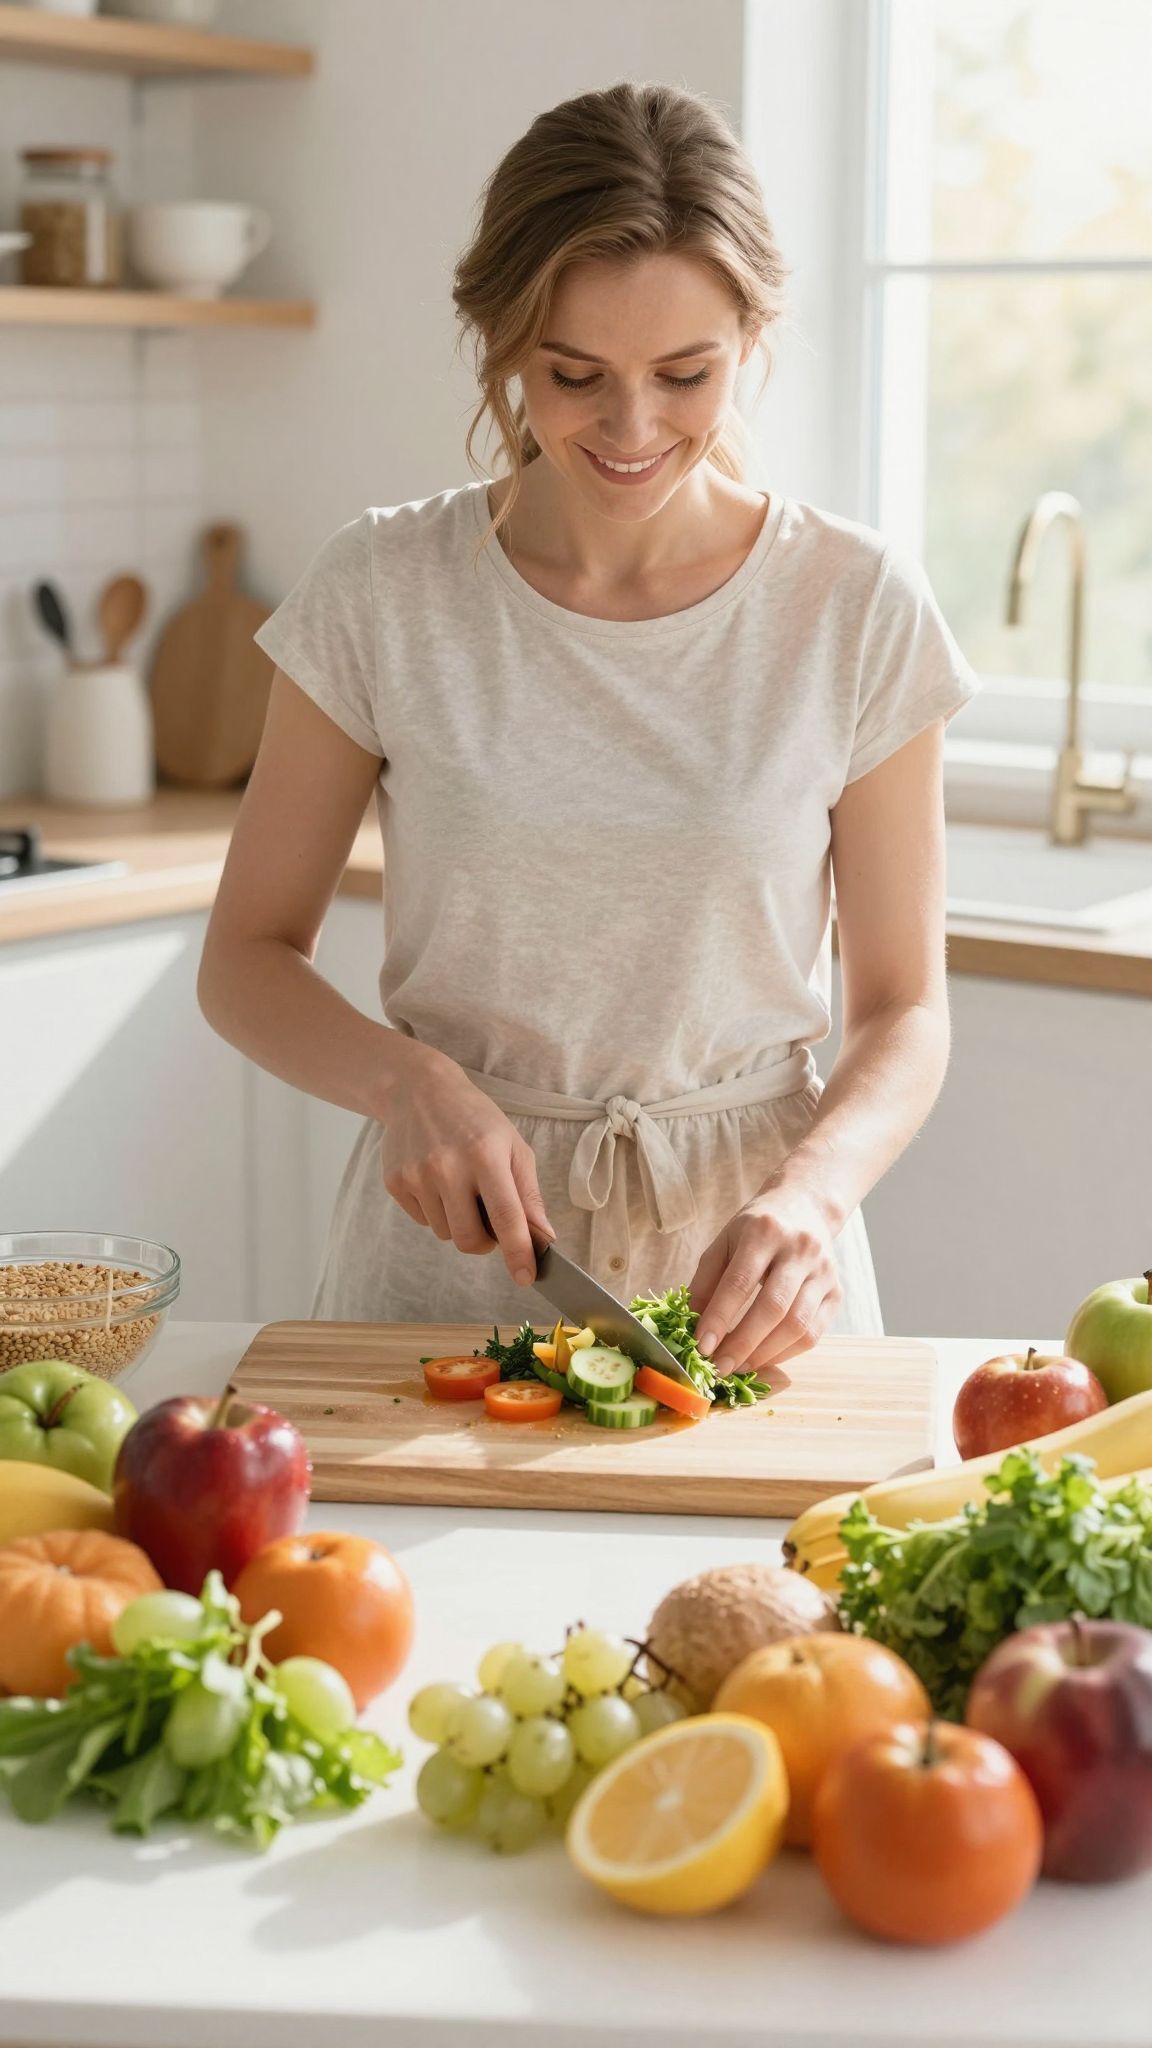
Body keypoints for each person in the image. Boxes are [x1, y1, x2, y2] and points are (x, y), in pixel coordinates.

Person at [198, 80, 978, 1379]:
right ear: (503, 341)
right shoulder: (385, 591)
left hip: (750, 1275)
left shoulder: (854, 606)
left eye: (687, 374)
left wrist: (817, 1194)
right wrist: (405, 1085)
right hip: (448, 1259)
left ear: (751, 335)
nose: (631, 431)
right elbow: (245, 955)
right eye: (574, 375)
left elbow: (905, 1008)